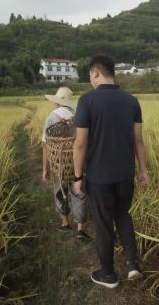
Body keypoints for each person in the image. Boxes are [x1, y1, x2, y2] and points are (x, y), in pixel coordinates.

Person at [72, 55, 150, 289]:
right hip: (125, 175)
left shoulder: (87, 101)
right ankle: (133, 264)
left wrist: (77, 177)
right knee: (123, 215)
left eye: (89, 75)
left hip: (99, 177)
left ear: (96, 73)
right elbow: (139, 141)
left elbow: (80, 144)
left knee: (104, 222)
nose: (90, 79)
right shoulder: (131, 101)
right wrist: (143, 171)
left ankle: (107, 274)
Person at [42, 86, 90, 240]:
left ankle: (65, 222)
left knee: (59, 191)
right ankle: (80, 228)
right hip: (77, 162)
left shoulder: (51, 117)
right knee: (79, 192)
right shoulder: (78, 116)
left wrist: (45, 168)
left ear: (57, 102)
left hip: (59, 163)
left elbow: (46, 145)